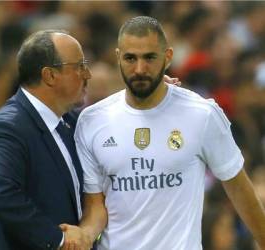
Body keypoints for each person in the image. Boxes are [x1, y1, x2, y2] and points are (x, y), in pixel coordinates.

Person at [74, 16, 265, 250]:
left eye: (149, 57)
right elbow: (95, 206)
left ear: (167, 57)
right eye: (130, 58)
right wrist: (84, 235)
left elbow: (238, 187)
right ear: (117, 58)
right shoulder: (92, 121)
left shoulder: (201, 114)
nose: (140, 69)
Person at [0, 30, 92, 250]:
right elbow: (0, 194)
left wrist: (152, 98)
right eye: (79, 66)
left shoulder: (69, 122)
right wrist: (59, 239)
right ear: (50, 75)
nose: (87, 74)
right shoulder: (8, 127)